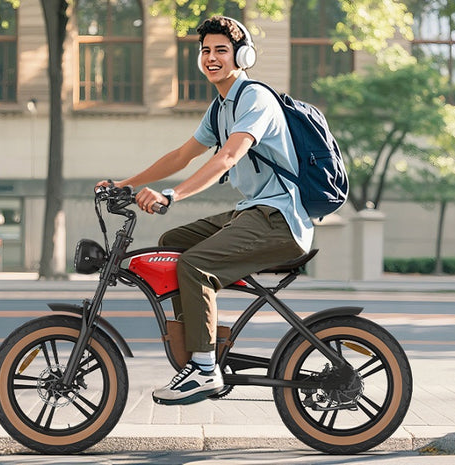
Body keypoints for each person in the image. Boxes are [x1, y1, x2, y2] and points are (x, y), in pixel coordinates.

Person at [97, 16, 313, 405]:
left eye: (221, 50)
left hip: (280, 221)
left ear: (242, 56)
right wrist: (125, 185)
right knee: (172, 244)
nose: (211, 58)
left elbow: (229, 156)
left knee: (194, 265)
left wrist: (171, 196)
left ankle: (203, 367)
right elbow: (182, 155)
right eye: (206, 51)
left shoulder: (255, 99)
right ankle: (199, 347)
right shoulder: (220, 108)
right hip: (254, 213)